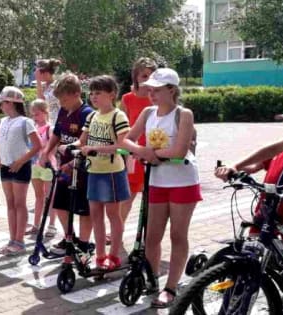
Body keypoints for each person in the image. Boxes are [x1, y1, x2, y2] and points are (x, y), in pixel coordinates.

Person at [122, 68, 202, 308]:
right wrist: (143, 152)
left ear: (172, 90)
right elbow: (125, 140)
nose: (151, 94)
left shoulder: (183, 114)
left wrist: (149, 153)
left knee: (178, 235)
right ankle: (152, 280)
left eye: (157, 90)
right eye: (149, 89)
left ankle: (171, 287)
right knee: (152, 236)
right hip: (156, 181)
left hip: (183, 181)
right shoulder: (147, 112)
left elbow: (179, 150)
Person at [215, 105, 283, 315]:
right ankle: (236, 296)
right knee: (251, 251)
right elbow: (263, 156)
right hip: (266, 209)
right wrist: (234, 167)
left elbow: (270, 150)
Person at [78, 75, 131, 270]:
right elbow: (82, 141)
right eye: (91, 93)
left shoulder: (118, 116)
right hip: (94, 171)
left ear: (112, 94)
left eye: (98, 93)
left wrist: (95, 149)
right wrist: (68, 146)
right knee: (95, 214)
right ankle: (100, 255)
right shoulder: (92, 116)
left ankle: (114, 255)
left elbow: (122, 145)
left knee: (113, 215)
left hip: (112, 173)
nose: (93, 97)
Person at [39, 72, 94, 256]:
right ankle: (70, 237)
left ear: (76, 94)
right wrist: (46, 152)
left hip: (82, 169)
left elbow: (86, 142)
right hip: (63, 167)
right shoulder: (63, 111)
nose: (60, 103)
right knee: (59, 204)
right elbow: (57, 133)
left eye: (63, 99)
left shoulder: (87, 114)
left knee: (83, 208)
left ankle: (85, 244)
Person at [0, 87, 42, 256]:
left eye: (3, 103)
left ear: (12, 103)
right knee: (10, 203)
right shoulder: (3, 121)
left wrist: (20, 161)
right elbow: (1, 142)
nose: (1, 106)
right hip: (6, 166)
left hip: (20, 167)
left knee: (19, 204)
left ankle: (20, 241)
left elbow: (37, 146)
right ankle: (12, 239)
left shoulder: (25, 121)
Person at [120, 57, 157, 230]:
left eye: (150, 76)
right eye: (143, 76)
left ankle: (148, 233)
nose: (147, 80)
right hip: (133, 152)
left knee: (152, 196)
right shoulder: (127, 98)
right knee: (129, 194)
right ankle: (117, 230)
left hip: (153, 152)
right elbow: (122, 126)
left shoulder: (156, 100)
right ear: (135, 77)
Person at [25, 99, 57, 237]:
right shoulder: (33, 128)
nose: (34, 117)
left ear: (45, 113)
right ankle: (36, 225)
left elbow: (54, 147)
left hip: (47, 166)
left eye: (37, 114)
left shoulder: (51, 128)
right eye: (32, 115)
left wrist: (46, 158)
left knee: (50, 196)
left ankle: (51, 225)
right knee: (39, 196)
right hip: (34, 165)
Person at [35, 58, 61, 126]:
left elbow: (41, 101)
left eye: (38, 72)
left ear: (46, 73)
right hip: (45, 123)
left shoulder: (57, 86)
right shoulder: (43, 86)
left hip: (55, 123)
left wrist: (38, 80)